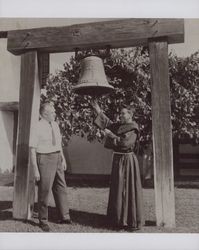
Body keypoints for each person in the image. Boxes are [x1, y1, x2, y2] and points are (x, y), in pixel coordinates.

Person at [91, 100, 144, 231]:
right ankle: (117, 220)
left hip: (127, 161)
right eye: (120, 113)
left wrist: (111, 135)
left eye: (123, 114)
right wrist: (98, 110)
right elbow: (108, 123)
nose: (120, 116)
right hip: (118, 160)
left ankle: (129, 221)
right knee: (118, 188)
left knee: (127, 189)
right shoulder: (120, 125)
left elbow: (125, 143)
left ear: (130, 115)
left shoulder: (133, 128)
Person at [29, 102, 71, 232]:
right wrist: (35, 169)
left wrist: (62, 159)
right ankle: (43, 220)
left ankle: (65, 217)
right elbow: (32, 149)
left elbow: (58, 144)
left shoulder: (55, 125)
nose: (55, 113)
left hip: (57, 157)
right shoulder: (36, 126)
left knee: (61, 187)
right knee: (44, 190)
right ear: (44, 114)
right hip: (44, 158)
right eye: (52, 112)